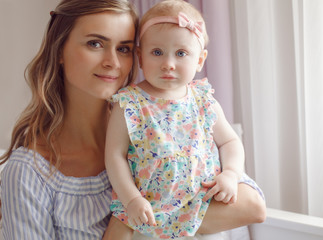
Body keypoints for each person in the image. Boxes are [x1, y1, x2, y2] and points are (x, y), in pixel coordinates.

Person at [104, 0, 266, 239]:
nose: (168, 64)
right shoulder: (130, 103)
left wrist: (231, 172)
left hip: (201, 202)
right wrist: (131, 199)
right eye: (157, 52)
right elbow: (114, 155)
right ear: (140, 56)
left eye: (181, 53)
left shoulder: (203, 99)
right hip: (149, 203)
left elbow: (229, 142)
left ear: (200, 60)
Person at [0, 0, 138, 239]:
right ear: (59, 51)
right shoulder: (30, 173)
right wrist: (125, 221)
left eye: (124, 48)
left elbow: (216, 212)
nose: (113, 62)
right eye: (95, 43)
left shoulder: (148, 138)